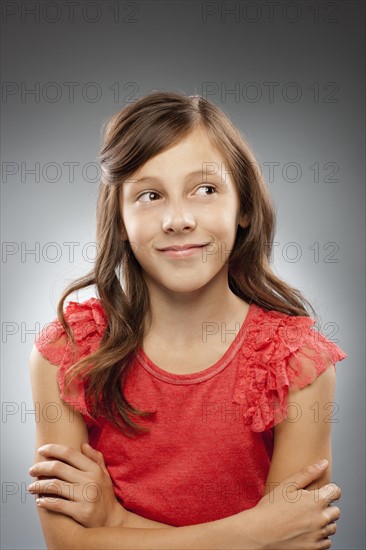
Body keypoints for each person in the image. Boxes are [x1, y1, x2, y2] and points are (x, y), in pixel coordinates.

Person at [28, 91, 347, 549]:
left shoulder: (296, 365)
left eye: (205, 190)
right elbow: (66, 544)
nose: (178, 219)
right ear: (119, 219)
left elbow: (294, 543)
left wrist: (115, 524)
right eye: (150, 195)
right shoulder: (70, 354)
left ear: (244, 209)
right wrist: (255, 534)